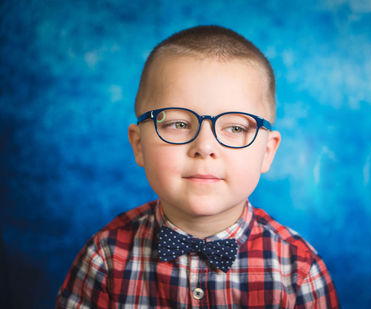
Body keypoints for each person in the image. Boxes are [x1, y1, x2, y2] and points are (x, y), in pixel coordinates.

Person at [56, 25, 339, 308]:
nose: (205, 147)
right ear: (139, 144)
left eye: (235, 127)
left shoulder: (299, 270)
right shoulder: (104, 258)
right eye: (179, 124)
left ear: (267, 152)